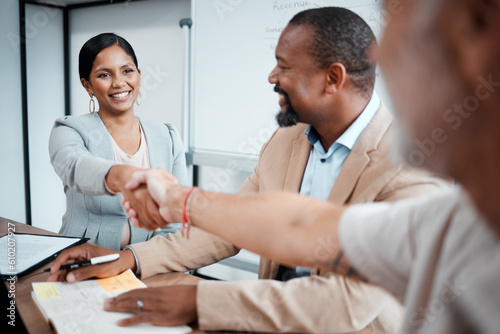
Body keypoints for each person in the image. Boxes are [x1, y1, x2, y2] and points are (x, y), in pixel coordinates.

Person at [108, 0, 500, 333]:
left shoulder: (411, 165)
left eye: (284, 66)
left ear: (333, 79)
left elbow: (348, 302)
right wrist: (135, 257)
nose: (271, 77)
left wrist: (199, 301)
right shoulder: (285, 141)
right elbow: (263, 225)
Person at [48, 33, 187, 250]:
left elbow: (177, 217)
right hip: (83, 259)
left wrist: (159, 263)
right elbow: (76, 168)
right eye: (104, 75)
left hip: (148, 265)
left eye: (127, 71)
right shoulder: (69, 130)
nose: (119, 82)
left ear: (139, 76)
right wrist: (125, 176)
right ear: (88, 86)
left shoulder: (167, 135)